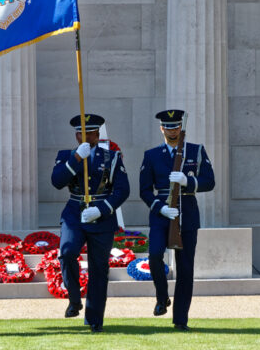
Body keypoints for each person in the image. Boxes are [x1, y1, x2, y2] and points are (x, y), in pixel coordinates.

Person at [51, 113, 130, 333]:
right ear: (76, 135)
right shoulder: (66, 155)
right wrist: (76, 159)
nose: (85, 136)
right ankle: (74, 299)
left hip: (101, 217)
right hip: (74, 214)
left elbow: (123, 190)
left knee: (98, 268)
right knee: (66, 252)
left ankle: (95, 318)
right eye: (80, 132)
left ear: (97, 134)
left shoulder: (111, 157)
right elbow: (57, 181)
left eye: (90, 132)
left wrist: (101, 209)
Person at [138, 109, 215, 331]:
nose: (173, 130)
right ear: (161, 128)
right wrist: (160, 207)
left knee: (185, 269)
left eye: (176, 126)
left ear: (181, 126)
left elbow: (209, 181)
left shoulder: (195, 151)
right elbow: (144, 190)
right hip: (161, 215)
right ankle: (162, 298)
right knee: (154, 256)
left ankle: (180, 320)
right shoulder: (151, 155)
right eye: (168, 127)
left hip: (187, 214)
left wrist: (187, 181)